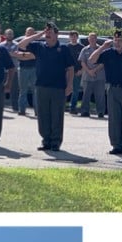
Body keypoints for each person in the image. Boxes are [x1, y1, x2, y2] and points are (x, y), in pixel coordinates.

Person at [16, 22, 73, 152]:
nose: (47, 35)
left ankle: (55, 142)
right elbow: (21, 45)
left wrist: (69, 85)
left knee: (56, 115)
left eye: (50, 32)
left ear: (56, 34)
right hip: (41, 86)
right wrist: (38, 35)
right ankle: (46, 140)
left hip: (58, 87)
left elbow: (70, 68)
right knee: (43, 115)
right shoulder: (39, 46)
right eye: (46, 32)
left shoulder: (63, 49)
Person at [87, 31, 122, 155]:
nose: (117, 43)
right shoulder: (108, 53)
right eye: (115, 40)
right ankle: (116, 145)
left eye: (120, 41)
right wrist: (102, 47)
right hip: (113, 89)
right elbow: (91, 60)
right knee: (114, 119)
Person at [79, 32, 106, 117]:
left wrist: (94, 70)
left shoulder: (101, 49)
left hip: (99, 76)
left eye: (93, 38)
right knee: (86, 95)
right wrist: (89, 71)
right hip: (87, 76)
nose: (92, 40)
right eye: (90, 38)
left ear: (96, 39)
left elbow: (103, 62)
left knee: (100, 95)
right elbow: (82, 62)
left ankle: (100, 112)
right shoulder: (84, 49)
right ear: (88, 39)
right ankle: (84, 111)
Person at [16, 26, 39, 114]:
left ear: (34, 34)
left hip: (34, 69)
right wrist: (28, 55)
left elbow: (35, 56)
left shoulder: (36, 45)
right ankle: (21, 110)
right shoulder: (22, 43)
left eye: (31, 32)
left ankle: (37, 111)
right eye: (28, 32)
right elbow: (18, 56)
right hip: (23, 69)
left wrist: (24, 55)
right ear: (25, 33)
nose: (29, 34)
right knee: (23, 90)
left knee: (35, 90)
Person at [66, 30, 84, 112]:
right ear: (69, 37)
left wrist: (81, 70)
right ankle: (62, 105)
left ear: (77, 37)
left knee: (75, 90)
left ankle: (73, 107)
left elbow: (84, 60)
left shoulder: (81, 47)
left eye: (75, 36)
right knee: (65, 89)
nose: (73, 38)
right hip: (67, 72)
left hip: (77, 72)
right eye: (72, 36)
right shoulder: (66, 47)